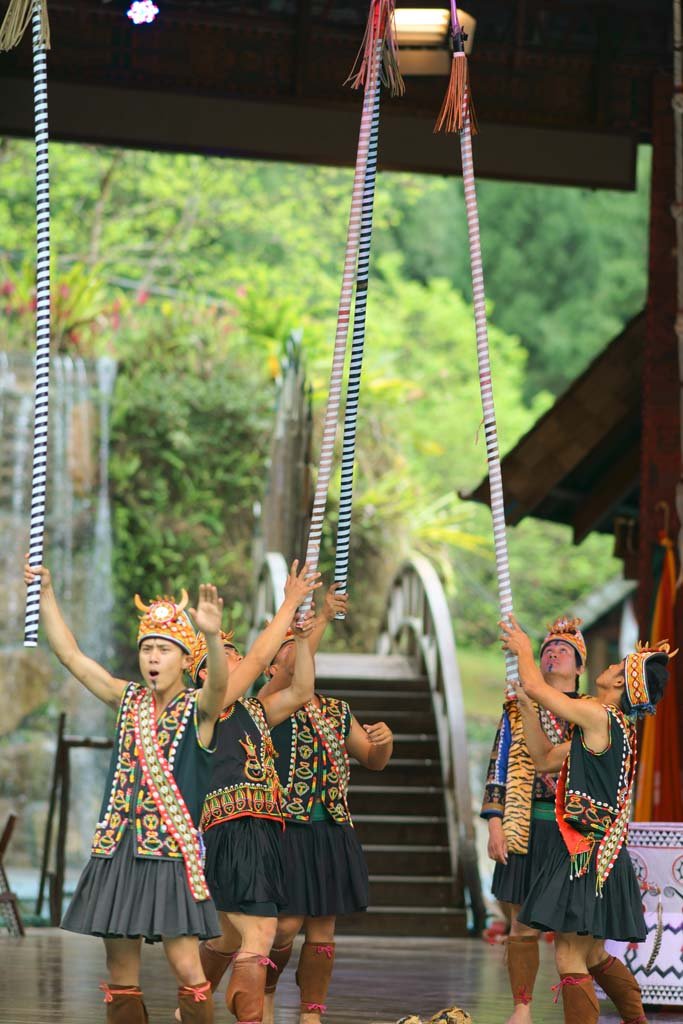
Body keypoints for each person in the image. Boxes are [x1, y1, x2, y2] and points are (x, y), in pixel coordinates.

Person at [25, 558, 228, 1024]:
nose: (153, 658)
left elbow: (219, 687)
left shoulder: (199, 711)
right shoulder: (127, 699)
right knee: (119, 971)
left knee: (186, 965)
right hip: (117, 850)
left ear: (185, 659)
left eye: (164, 649)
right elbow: (72, 657)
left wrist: (213, 637)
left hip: (170, 856)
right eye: (147, 649)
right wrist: (47, 592)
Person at [501, 616, 673, 1024]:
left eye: (617, 666)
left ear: (621, 684)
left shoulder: (599, 716)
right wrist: (527, 710)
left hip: (585, 855)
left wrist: (523, 648)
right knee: (592, 954)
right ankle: (637, 1021)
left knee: (569, 955)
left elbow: (538, 686)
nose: (610, 666)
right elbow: (545, 759)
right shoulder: (613, 727)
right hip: (598, 854)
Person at [189, 565, 322, 1024]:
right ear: (203, 674)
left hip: (262, 828)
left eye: (235, 653)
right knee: (262, 930)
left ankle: (188, 1011)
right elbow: (255, 663)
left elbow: (302, 690)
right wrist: (290, 603)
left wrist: (300, 640)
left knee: (229, 937)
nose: (237, 660)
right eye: (224, 655)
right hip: (233, 826)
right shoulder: (205, 710)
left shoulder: (255, 709)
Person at [260, 585, 394, 1024]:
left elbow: (372, 759)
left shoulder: (337, 710)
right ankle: (265, 989)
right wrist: (316, 620)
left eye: (303, 647)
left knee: (323, 927)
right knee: (284, 926)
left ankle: (311, 1012)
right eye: (288, 648)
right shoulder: (265, 706)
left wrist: (385, 742)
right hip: (286, 828)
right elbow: (292, 671)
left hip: (332, 827)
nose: (301, 652)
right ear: (271, 667)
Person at [481, 616, 586, 1023]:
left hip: (571, 832)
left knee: (573, 932)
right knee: (521, 925)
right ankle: (521, 1007)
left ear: (579, 666)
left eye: (563, 650)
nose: (553, 654)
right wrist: (495, 823)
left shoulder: (590, 711)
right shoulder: (516, 709)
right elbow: (498, 767)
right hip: (525, 826)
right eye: (546, 650)